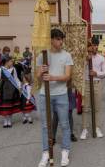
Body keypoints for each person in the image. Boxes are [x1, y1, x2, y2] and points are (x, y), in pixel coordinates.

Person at [37, 29, 73, 167]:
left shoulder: (67, 55)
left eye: (61, 39)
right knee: (46, 126)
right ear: (51, 39)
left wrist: (52, 77)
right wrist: (41, 71)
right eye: (58, 39)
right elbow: (38, 76)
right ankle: (46, 153)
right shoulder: (43, 55)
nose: (61, 41)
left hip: (61, 95)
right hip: (44, 94)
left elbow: (67, 76)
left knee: (65, 124)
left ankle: (65, 151)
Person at [80, 39, 105, 140]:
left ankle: (97, 127)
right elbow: (79, 70)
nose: (94, 47)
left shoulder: (101, 58)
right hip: (87, 84)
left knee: (97, 108)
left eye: (96, 45)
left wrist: (97, 73)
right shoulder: (84, 58)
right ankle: (85, 129)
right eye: (92, 45)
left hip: (97, 83)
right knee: (86, 108)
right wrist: (86, 61)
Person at [0, 55, 22, 128]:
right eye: (11, 61)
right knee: (4, 106)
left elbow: (16, 79)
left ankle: (9, 120)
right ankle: (5, 120)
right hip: (4, 89)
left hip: (13, 89)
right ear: (6, 62)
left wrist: (19, 87)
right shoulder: (1, 70)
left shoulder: (13, 69)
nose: (12, 62)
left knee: (11, 105)